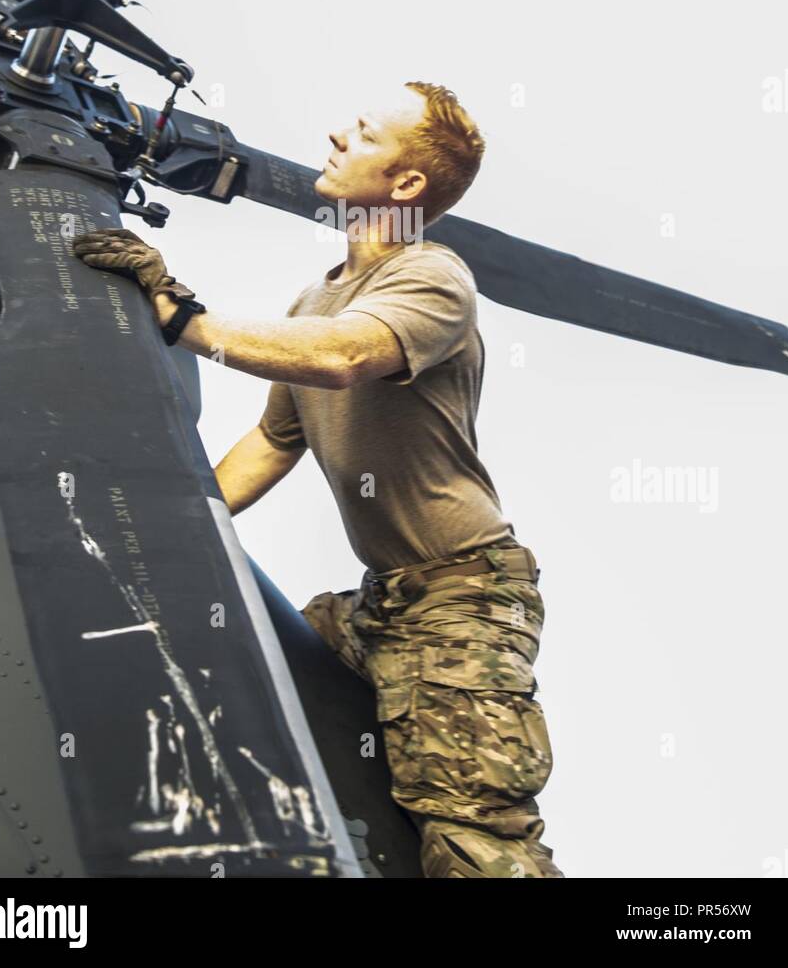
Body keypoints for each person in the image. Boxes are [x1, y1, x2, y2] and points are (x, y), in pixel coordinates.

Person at [72, 80, 563, 879]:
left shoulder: (432, 279)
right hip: (382, 604)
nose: (337, 137)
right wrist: (165, 531)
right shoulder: (318, 297)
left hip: (460, 599)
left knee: (473, 833)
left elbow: (343, 358)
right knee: (235, 654)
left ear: (404, 185)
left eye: (365, 134)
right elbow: (273, 439)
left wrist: (181, 320)